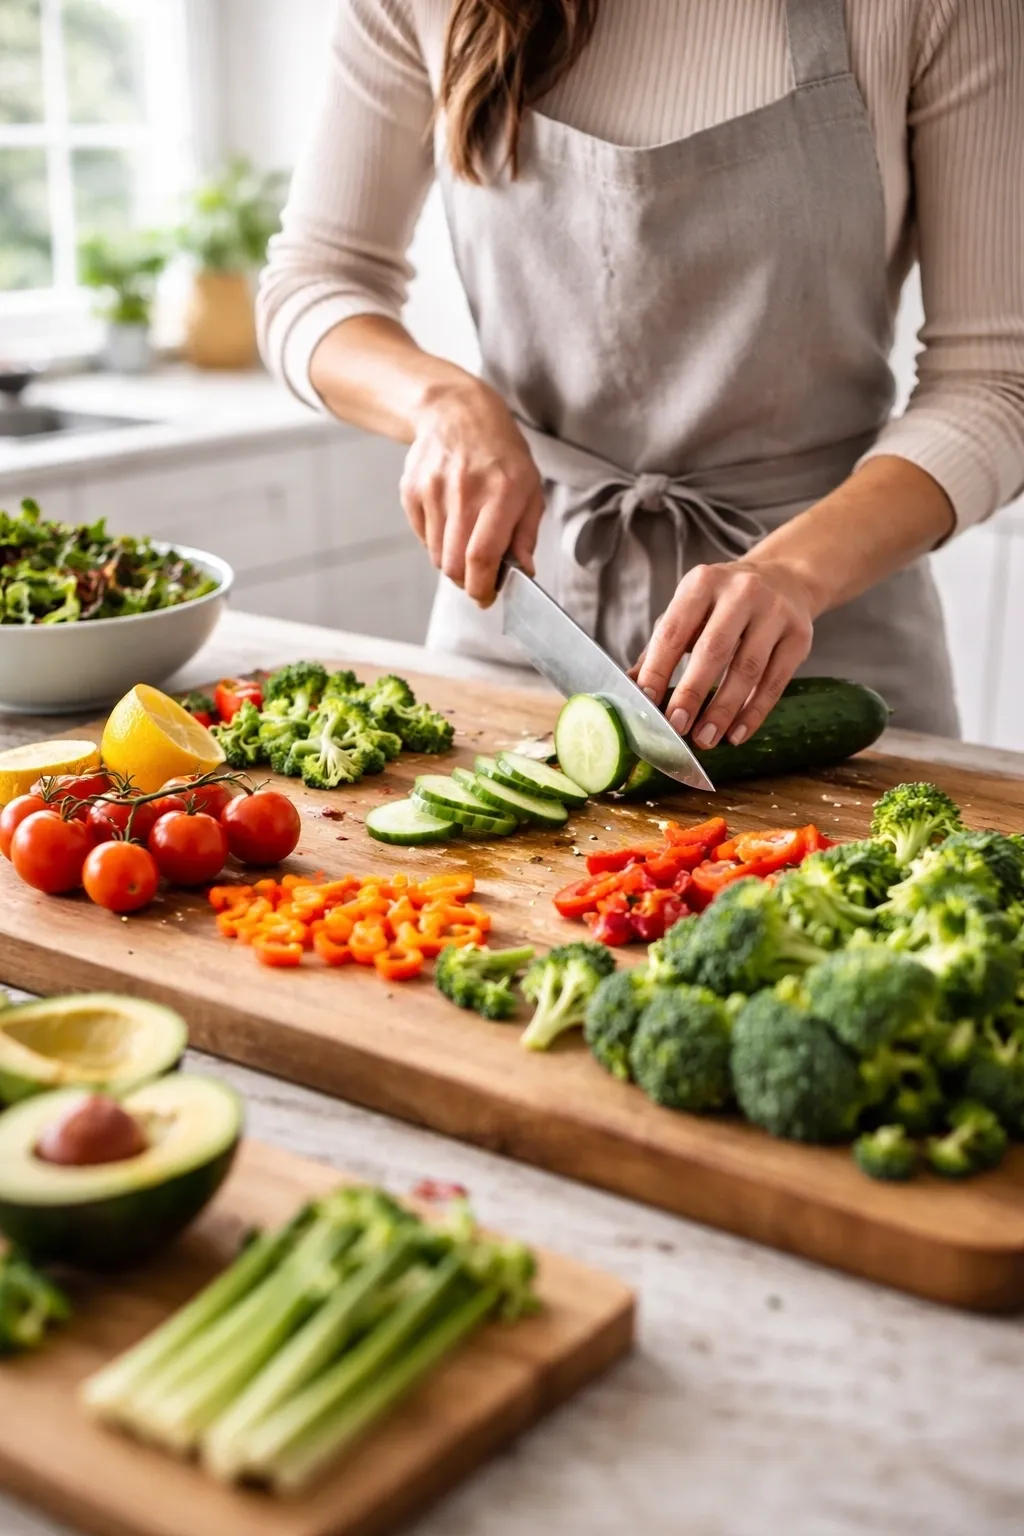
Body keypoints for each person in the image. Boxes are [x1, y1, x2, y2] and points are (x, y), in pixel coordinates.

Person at [258, 0, 1024, 747]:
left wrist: (792, 571)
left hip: (826, 654)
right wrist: (442, 404)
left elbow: (997, 382)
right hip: (520, 621)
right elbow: (314, 283)